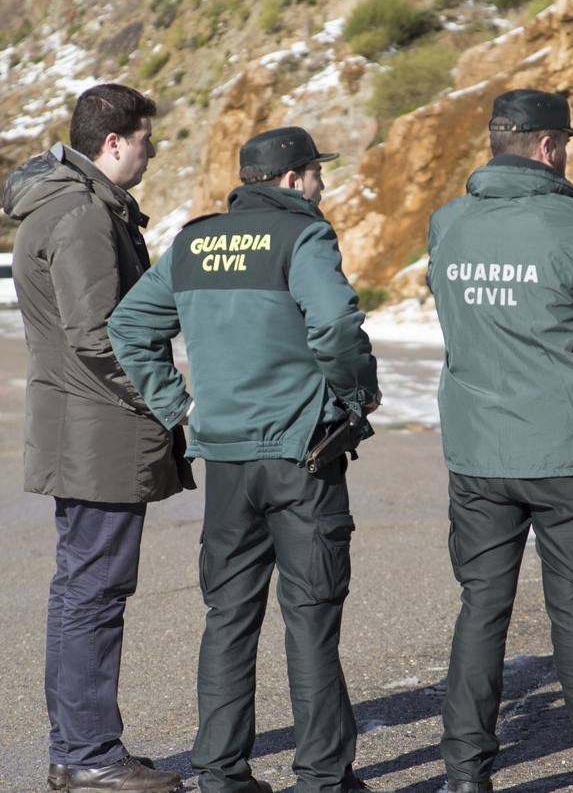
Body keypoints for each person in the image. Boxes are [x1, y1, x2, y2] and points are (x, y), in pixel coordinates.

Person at [108, 126, 382, 793]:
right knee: (312, 618)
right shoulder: (304, 236)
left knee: (228, 618)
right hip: (302, 457)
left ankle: (221, 775)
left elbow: (130, 327)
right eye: (316, 172)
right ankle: (321, 778)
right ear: (291, 179)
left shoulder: (195, 241)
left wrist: (182, 408)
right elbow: (338, 326)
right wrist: (355, 397)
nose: (321, 184)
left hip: (228, 462)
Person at [426, 90, 573, 793]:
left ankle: (465, 775)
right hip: (567, 452)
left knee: (481, 611)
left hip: (479, 451)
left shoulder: (447, 224)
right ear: (550, 146)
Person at [4, 83, 190, 793]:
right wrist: (173, 405)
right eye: (146, 138)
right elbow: (100, 337)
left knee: (79, 590)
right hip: (98, 431)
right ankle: (90, 756)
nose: (152, 150)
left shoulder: (63, 204)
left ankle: (74, 749)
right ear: (113, 142)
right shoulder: (83, 216)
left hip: (78, 427)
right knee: (94, 593)